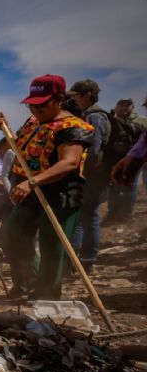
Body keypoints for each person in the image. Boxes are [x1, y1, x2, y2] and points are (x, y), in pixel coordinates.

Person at [0, 74, 93, 300]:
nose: (35, 110)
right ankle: (26, 282)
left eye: (42, 104)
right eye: (32, 104)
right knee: (14, 235)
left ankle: (47, 295)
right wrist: (5, 128)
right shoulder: (32, 122)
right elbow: (22, 147)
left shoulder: (74, 127)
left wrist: (33, 182)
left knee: (52, 245)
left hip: (61, 192)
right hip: (30, 188)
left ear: (59, 99)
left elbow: (68, 162)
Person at [67, 79, 110, 272]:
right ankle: (79, 258)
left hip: (91, 176)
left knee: (86, 216)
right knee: (83, 216)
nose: (74, 100)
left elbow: (93, 151)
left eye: (76, 96)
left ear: (88, 95)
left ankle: (85, 259)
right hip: (91, 176)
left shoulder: (95, 118)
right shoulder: (91, 115)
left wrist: (78, 169)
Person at [105, 98, 143, 222]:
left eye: (127, 105)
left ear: (132, 107)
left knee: (130, 187)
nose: (123, 108)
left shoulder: (140, 122)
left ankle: (126, 214)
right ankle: (112, 213)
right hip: (114, 160)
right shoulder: (110, 121)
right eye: (121, 105)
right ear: (116, 107)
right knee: (114, 187)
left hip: (133, 160)